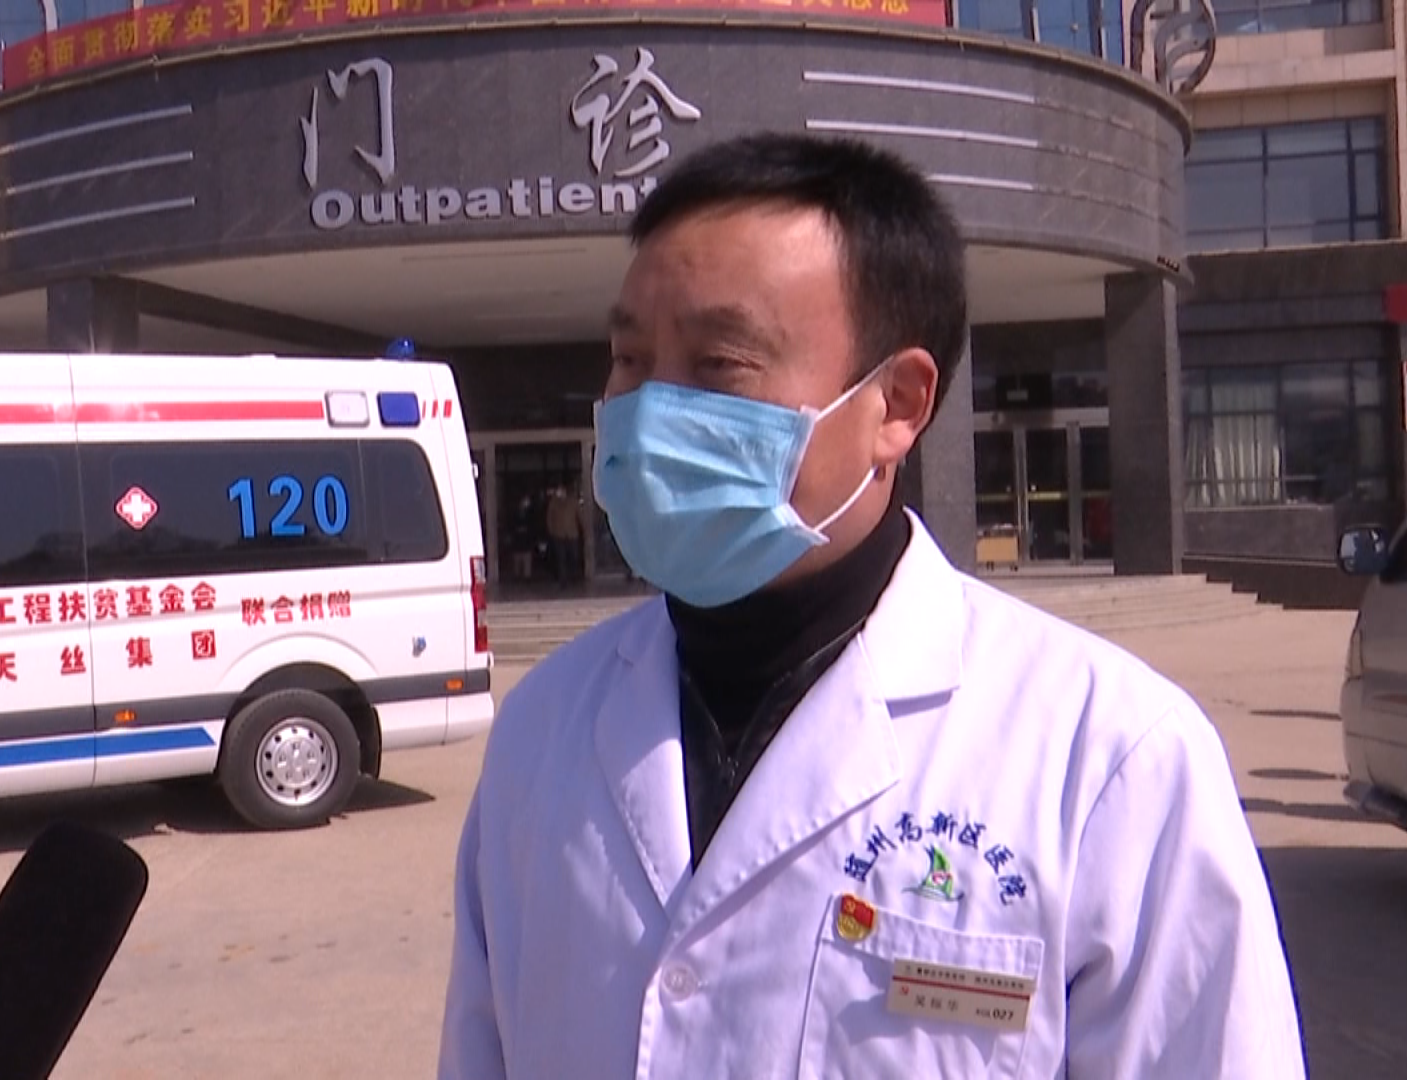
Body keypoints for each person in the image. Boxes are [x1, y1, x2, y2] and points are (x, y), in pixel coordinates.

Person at [437, 133, 1305, 1078]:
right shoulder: (543, 730)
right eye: (630, 358)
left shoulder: (1110, 759)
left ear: (896, 402)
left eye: (719, 363)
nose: (650, 411)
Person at [544, 484, 583, 589]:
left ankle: (573, 576)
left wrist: (583, 528)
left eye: (561, 491)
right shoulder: (554, 502)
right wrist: (552, 531)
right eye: (558, 491)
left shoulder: (573, 501)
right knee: (561, 558)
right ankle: (563, 580)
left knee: (574, 556)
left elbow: (580, 515)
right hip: (558, 534)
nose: (560, 493)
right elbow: (549, 518)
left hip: (572, 533)